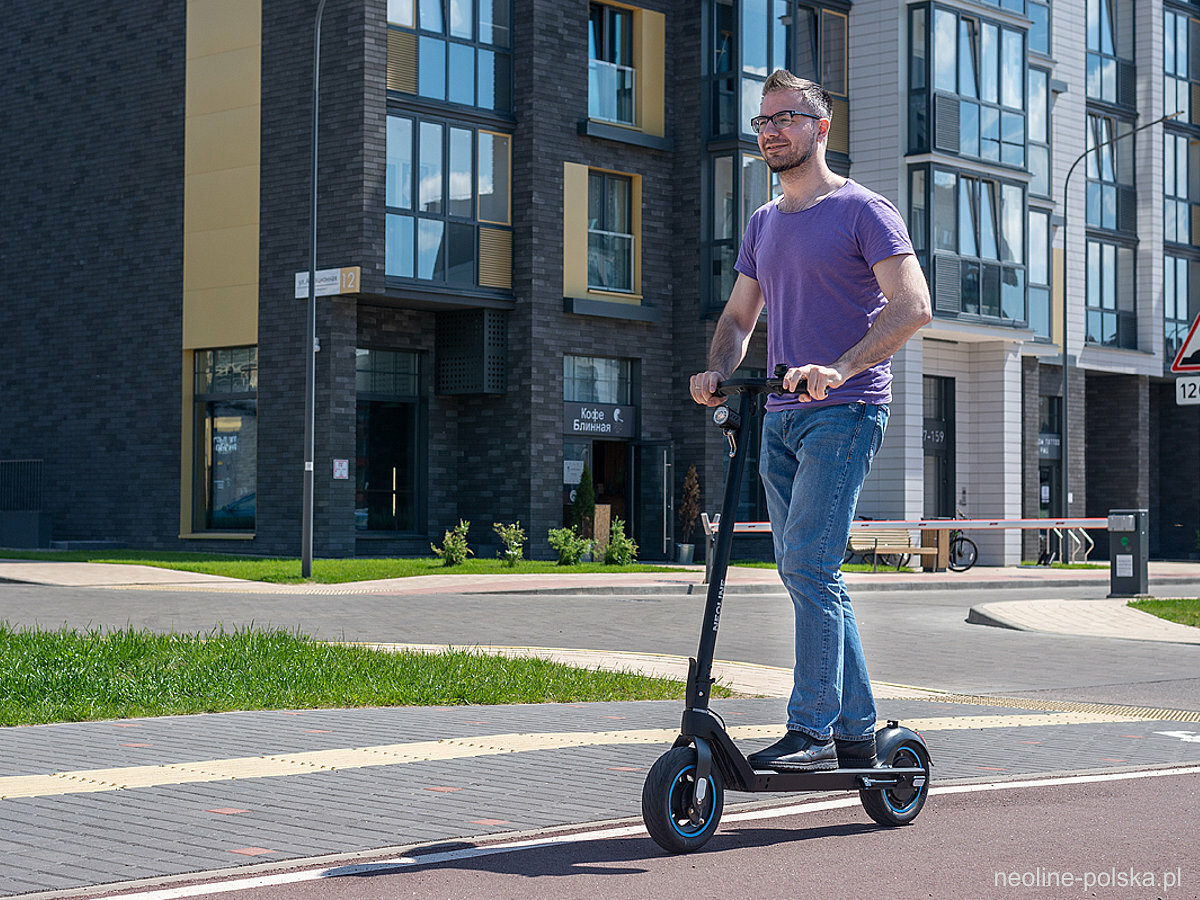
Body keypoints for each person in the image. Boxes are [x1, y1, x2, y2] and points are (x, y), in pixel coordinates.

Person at [689, 69, 932, 772]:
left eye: (786, 119)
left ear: (822, 127)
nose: (771, 133)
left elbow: (913, 305)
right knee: (807, 572)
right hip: (779, 416)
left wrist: (842, 367)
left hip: (846, 411)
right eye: (762, 123)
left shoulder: (864, 210)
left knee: (808, 562)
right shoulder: (765, 223)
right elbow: (739, 317)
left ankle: (814, 729)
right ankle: (856, 730)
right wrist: (717, 370)